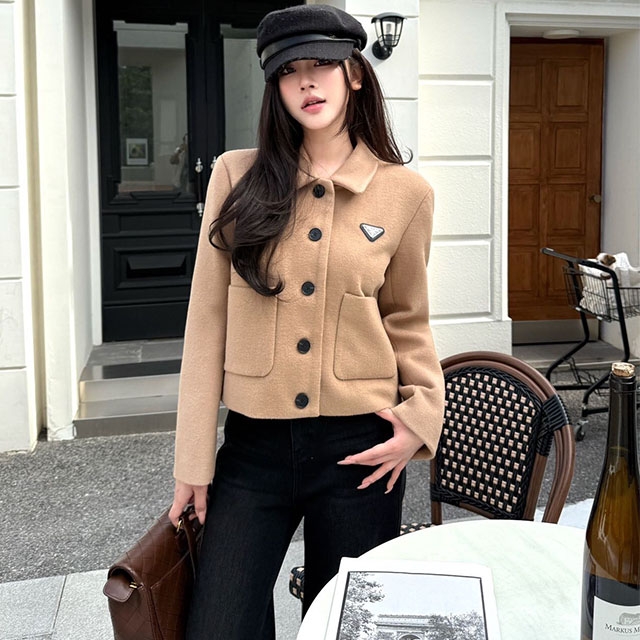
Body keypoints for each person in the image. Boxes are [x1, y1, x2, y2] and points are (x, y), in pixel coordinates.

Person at [169, 5, 445, 638]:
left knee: (344, 626)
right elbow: (206, 322)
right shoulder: (235, 176)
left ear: (355, 74)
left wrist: (419, 420)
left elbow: (408, 319)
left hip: (361, 449)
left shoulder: (406, 193)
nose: (306, 82)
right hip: (253, 452)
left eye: (322, 64)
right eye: (289, 71)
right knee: (218, 624)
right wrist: (192, 462)